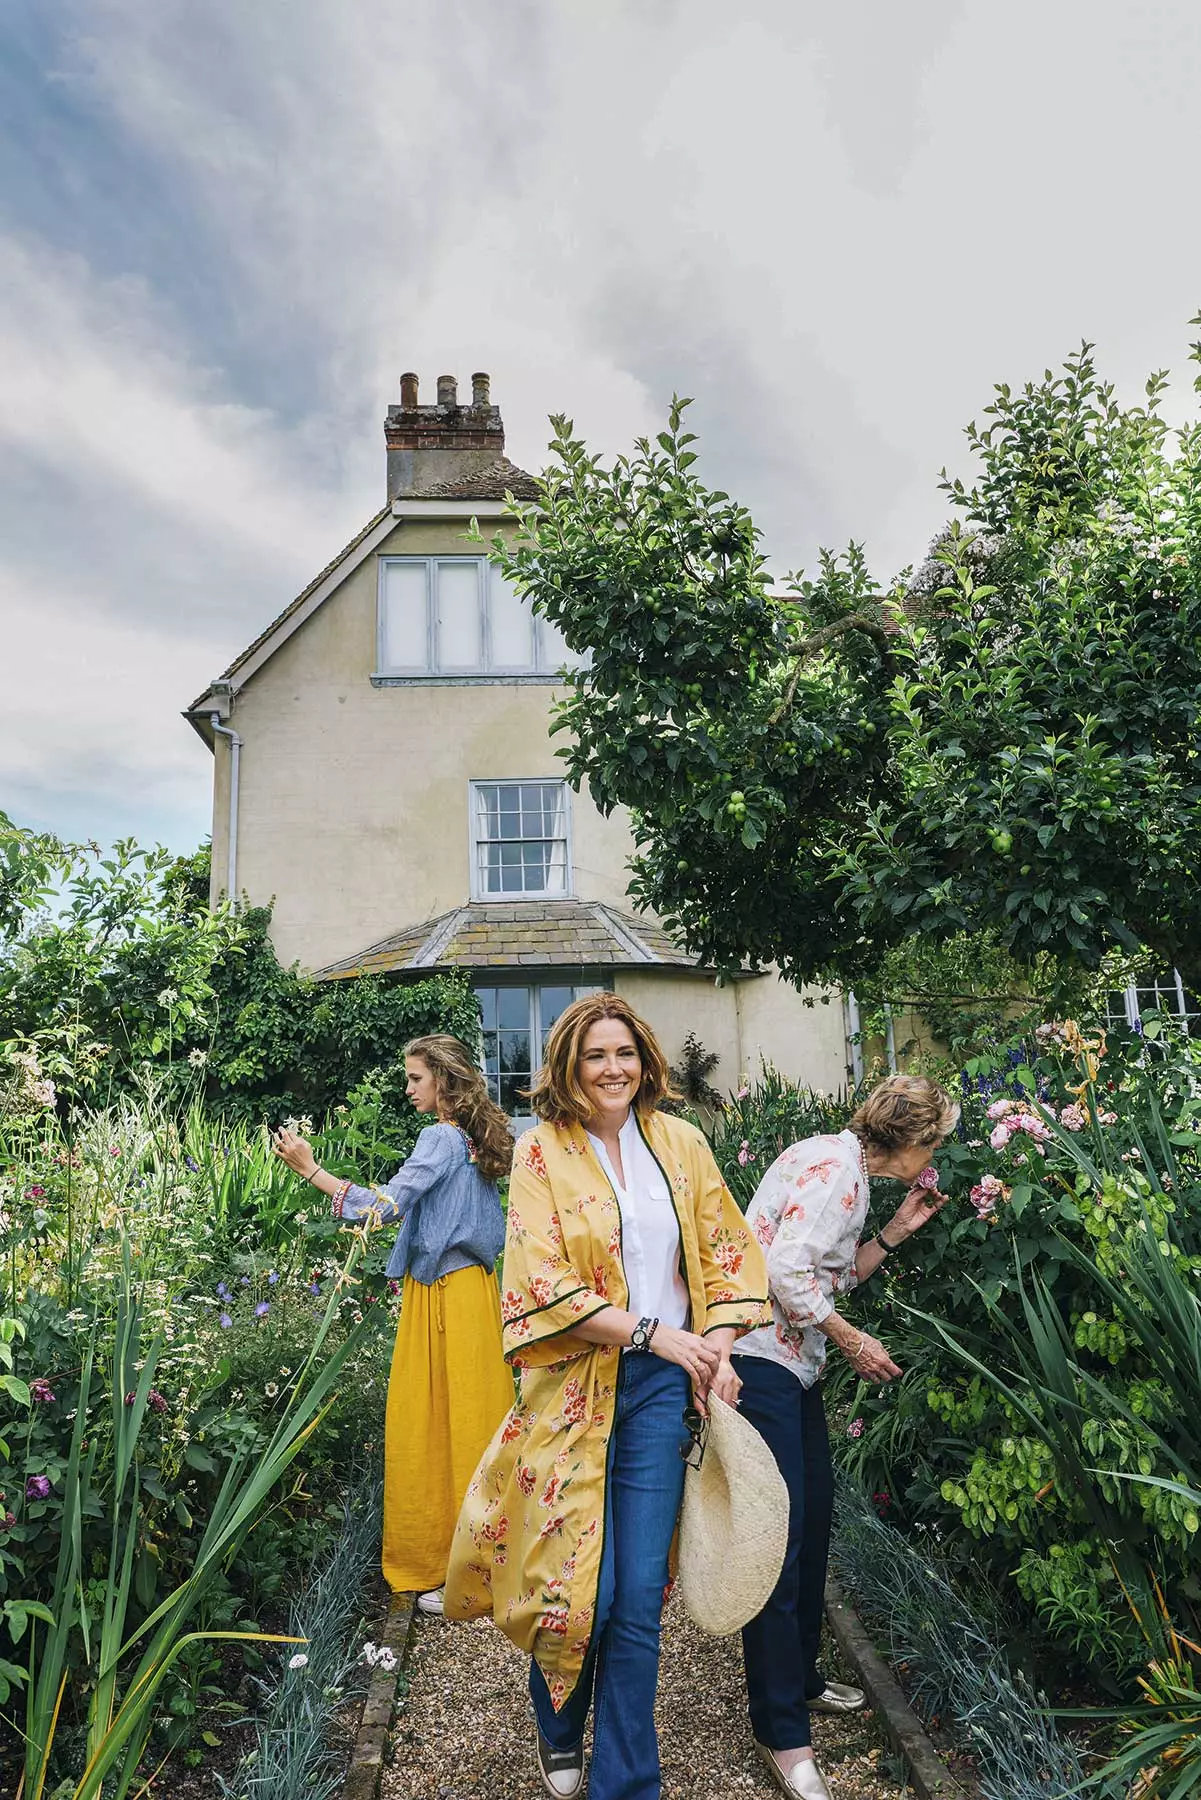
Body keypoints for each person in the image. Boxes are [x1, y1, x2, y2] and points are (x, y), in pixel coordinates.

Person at [445, 994, 768, 1800]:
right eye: (595, 1055)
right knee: (570, 1582)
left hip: (661, 1392)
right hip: (570, 1389)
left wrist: (714, 1350)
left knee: (632, 1600)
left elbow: (728, 1252)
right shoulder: (538, 1154)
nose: (612, 1068)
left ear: (645, 1060)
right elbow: (537, 1278)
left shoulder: (682, 1142)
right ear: (567, 1066)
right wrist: (654, 1331)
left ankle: (626, 1784)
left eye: (624, 1052)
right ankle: (557, 1725)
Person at [731, 1074, 960, 1800]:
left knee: (813, 1519)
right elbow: (784, 1275)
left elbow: (825, 1281)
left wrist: (892, 1235)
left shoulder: (842, 1167)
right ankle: (781, 1735)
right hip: (760, 1359)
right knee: (780, 1540)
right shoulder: (835, 1172)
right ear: (914, 1140)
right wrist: (852, 1341)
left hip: (787, 1364)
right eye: (936, 1141)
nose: (936, 1153)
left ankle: (796, 1682)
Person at [273, 1034, 513, 1614]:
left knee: (433, 1428)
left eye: (415, 1078)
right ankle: (492, 1565)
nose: (407, 1089)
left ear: (444, 1080)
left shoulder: (439, 1137)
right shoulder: (475, 1141)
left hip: (443, 1301)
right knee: (477, 1422)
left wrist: (312, 1172)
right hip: (475, 1293)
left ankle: (450, 1572)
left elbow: (384, 1207)